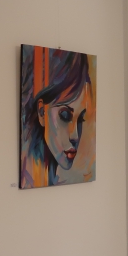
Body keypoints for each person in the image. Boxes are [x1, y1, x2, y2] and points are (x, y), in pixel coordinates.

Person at [20, 46, 92, 188]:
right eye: (65, 116)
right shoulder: (28, 178)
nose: (75, 136)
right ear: (42, 112)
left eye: (81, 119)